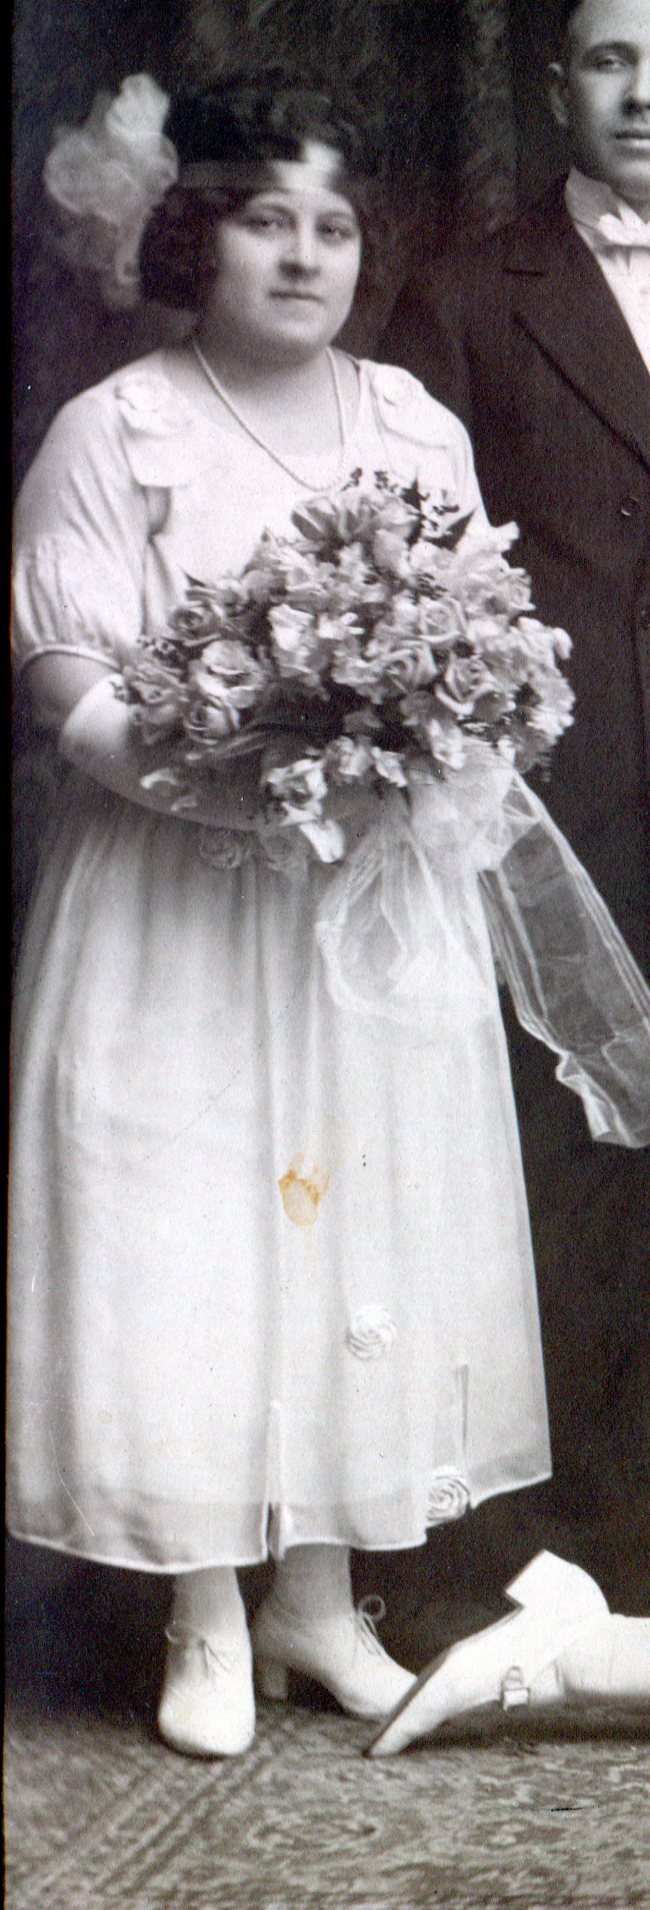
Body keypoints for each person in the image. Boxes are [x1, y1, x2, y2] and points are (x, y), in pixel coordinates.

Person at [8, 74, 648, 1763]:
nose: (304, 255)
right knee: (194, 1229)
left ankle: (316, 1598)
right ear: (192, 237)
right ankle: (204, 1611)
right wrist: (199, 763)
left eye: (333, 224)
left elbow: (485, 647)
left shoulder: (410, 424)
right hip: (177, 906)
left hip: (368, 907)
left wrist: (431, 724)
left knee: (363, 1225)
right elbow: (57, 659)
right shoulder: (116, 426)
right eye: (263, 218)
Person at [380, 0, 650, 1592]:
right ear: (552, 85)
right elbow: (425, 570)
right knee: (580, 1154)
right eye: (613, 55)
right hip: (570, 806)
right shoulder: (472, 290)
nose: (646, 88)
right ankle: (579, 1542)